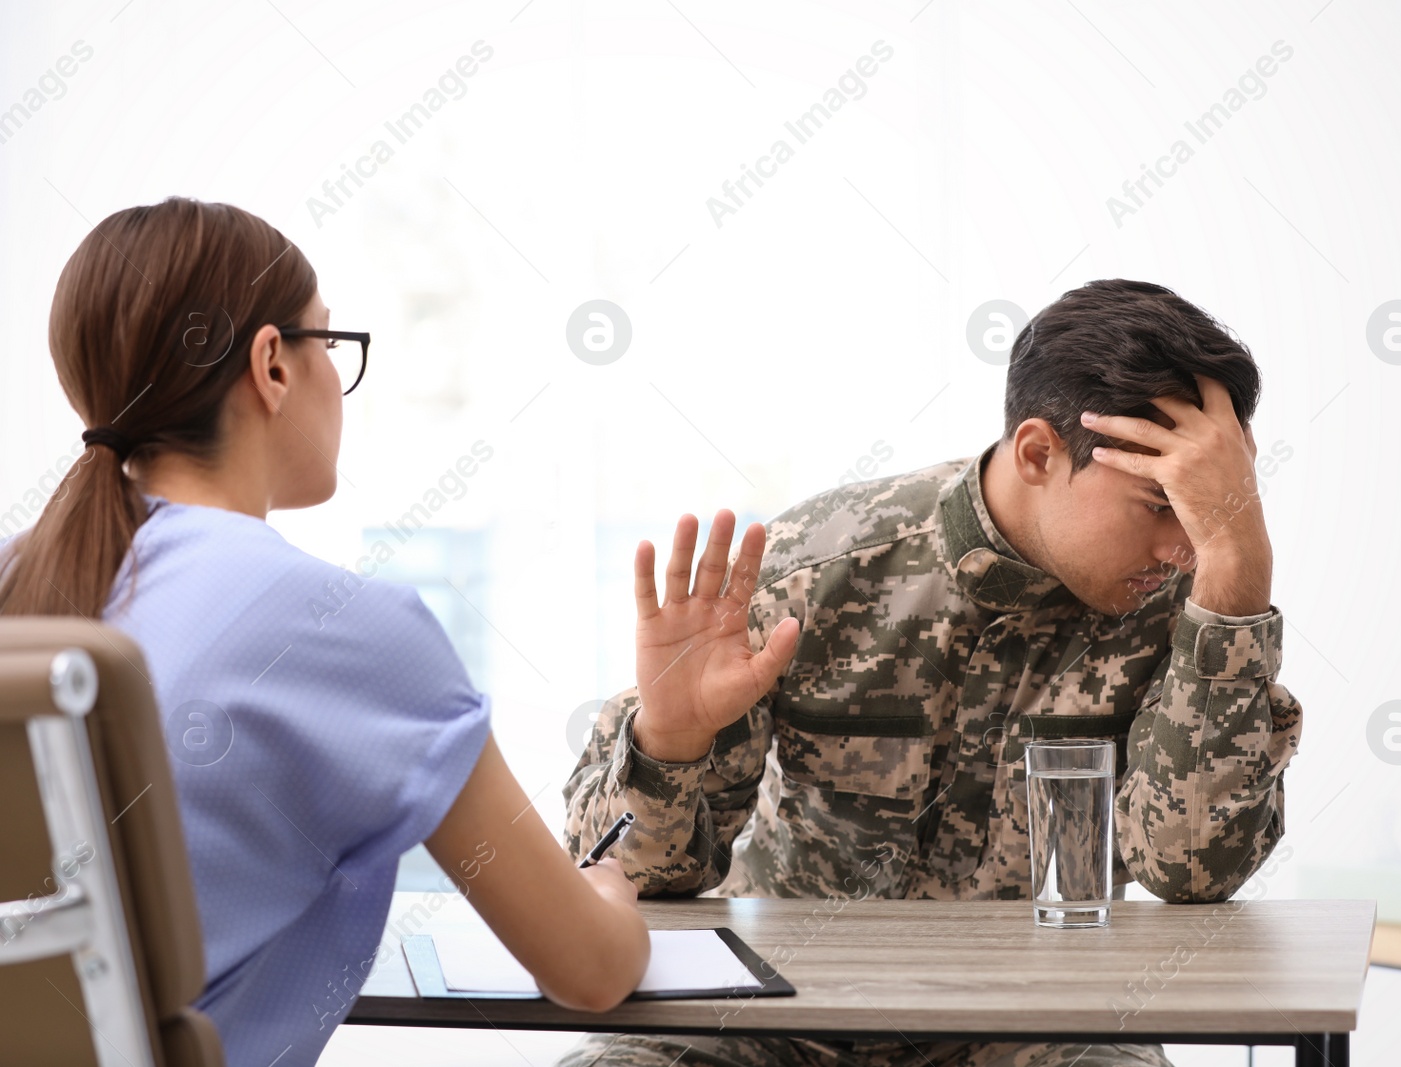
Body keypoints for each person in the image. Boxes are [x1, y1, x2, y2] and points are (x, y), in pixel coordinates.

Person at [563, 279, 1304, 1067]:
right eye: (1161, 506)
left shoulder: (1193, 602)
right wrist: (667, 739)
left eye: (1210, 507)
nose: (1183, 546)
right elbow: (632, 876)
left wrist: (1236, 581)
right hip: (783, 1014)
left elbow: (1194, 868)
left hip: (1036, 1026)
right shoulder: (813, 570)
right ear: (1038, 453)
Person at [0, 197, 650, 1067]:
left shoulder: (21, 577)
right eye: (331, 347)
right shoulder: (346, 631)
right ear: (272, 363)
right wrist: (611, 890)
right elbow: (590, 968)